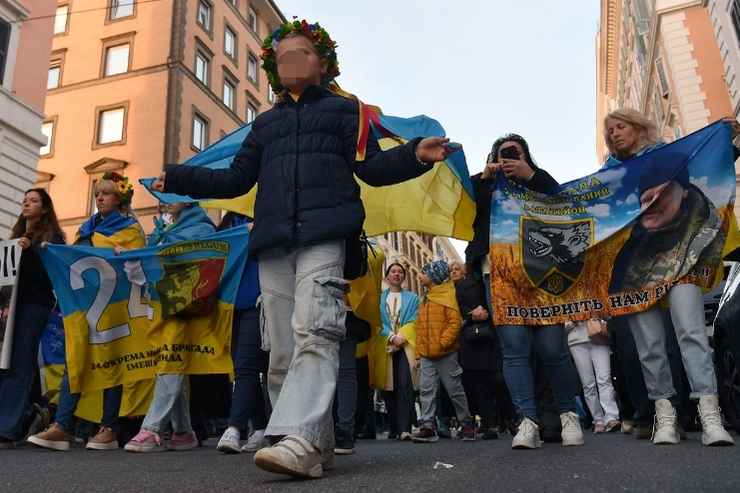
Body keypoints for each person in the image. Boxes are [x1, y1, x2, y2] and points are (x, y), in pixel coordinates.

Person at [153, 20, 453, 479]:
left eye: (303, 53)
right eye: (283, 56)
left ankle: (296, 438)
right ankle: (315, 444)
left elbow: (371, 168)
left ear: (323, 63)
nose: (292, 60)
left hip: (325, 233)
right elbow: (235, 180)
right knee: (281, 348)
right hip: (273, 241)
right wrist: (178, 179)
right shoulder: (266, 124)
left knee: (317, 328)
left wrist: (414, 154)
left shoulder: (347, 112)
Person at [601, 109, 739, 446]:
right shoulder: (607, 176)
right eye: (610, 132)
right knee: (649, 346)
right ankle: (665, 414)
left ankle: (709, 414)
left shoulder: (672, 155)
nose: (615, 134)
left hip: (685, 256)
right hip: (635, 269)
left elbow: (708, 161)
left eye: (620, 127)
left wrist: (727, 141)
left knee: (691, 333)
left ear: (638, 127)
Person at [28, 172, 145, 451]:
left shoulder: (131, 230)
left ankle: (109, 428)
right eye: (96, 195)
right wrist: (53, 252)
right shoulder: (86, 228)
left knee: (111, 364)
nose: (99, 199)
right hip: (85, 306)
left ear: (119, 199)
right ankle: (63, 425)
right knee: (76, 361)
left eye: (105, 194)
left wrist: (124, 256)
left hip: (114, 307)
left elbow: (139, 269)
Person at [481, 135, 583, 449]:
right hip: (500, 277)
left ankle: (569, 416)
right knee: (514, 351)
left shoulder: (541, 181)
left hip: (543, 275)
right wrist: (486, 181)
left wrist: (530, 175)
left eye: (516, 153)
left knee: (553, 350)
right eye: (503, 154)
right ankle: (526, 422)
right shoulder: (484, 186)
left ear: (527, 156)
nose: (509, 159)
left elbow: (566, 206)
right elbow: (470, 219)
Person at [124, 202, 215, 453]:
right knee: (170, 363)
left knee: (169, 361)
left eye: (173, 192)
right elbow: (148, 262)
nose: (165, 197)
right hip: (162, 302)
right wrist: (133, 255)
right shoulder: (163, 227)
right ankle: (183, 432)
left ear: (188, 198)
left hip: (184, 304)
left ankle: (151, 428)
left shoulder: (201, 228)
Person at [0, 190, 66, 448]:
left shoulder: (53, 238)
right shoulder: (15, 238)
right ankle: (33, 412)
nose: (27, 203)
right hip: (10, 307)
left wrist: (31, 252)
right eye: (25, 200)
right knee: (6, 361)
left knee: (20, 362)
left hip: (34, 306)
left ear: (46, 208)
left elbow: (51, 277)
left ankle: (7, 426)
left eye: (34, 200)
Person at [216, 212, 270, 454]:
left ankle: (234, 428)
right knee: (244, 366)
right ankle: (259, 427)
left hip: (257, 299)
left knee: (246, 365)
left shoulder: (267, 212)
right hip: (230, 303)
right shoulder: (228, 222)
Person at [411, 260, 475, 443]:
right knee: (426, 390)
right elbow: (420, 327)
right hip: (427, 355)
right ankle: (428, 426)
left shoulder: (448, 295)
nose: (420, 275)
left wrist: (443, 343)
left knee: (454, 389)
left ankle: (467, 424)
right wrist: (418, 353)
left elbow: (455, 323)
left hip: (446, 353)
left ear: (434, 277)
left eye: (424, 273)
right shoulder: (425, 298)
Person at [449, 260, 499, 439]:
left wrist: (469, 317)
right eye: (451, 270)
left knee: (480, 383)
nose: (454, 272)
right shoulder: (452, 290)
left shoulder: (468, 286)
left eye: (457, 269)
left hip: (475, 340)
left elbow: (477, 310)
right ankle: (486, 424)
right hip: (469, 340)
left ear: (464, 272)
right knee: (475, 383)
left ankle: (488, 424)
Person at [370, 262, 419, 441]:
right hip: (385, 344)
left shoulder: (413, 298)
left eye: (400, 272)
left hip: (405, 344)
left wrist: (401, 338)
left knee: (405, 384)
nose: (396, 274)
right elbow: (376, 320)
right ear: (387, 276)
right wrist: (391, 336)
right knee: (387, 387)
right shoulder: (379, 298)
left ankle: (405, 428)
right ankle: (394, 427)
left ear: (403, 277)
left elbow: (415, 320)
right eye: (393, 271)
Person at [565, 320, 620, 433]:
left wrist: (598, 316)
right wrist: (571, 321)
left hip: (598, 334)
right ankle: (598, 419)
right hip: (575, 339)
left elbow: (608, 311)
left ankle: (611, 417)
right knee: (588, 383)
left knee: (604, 379)